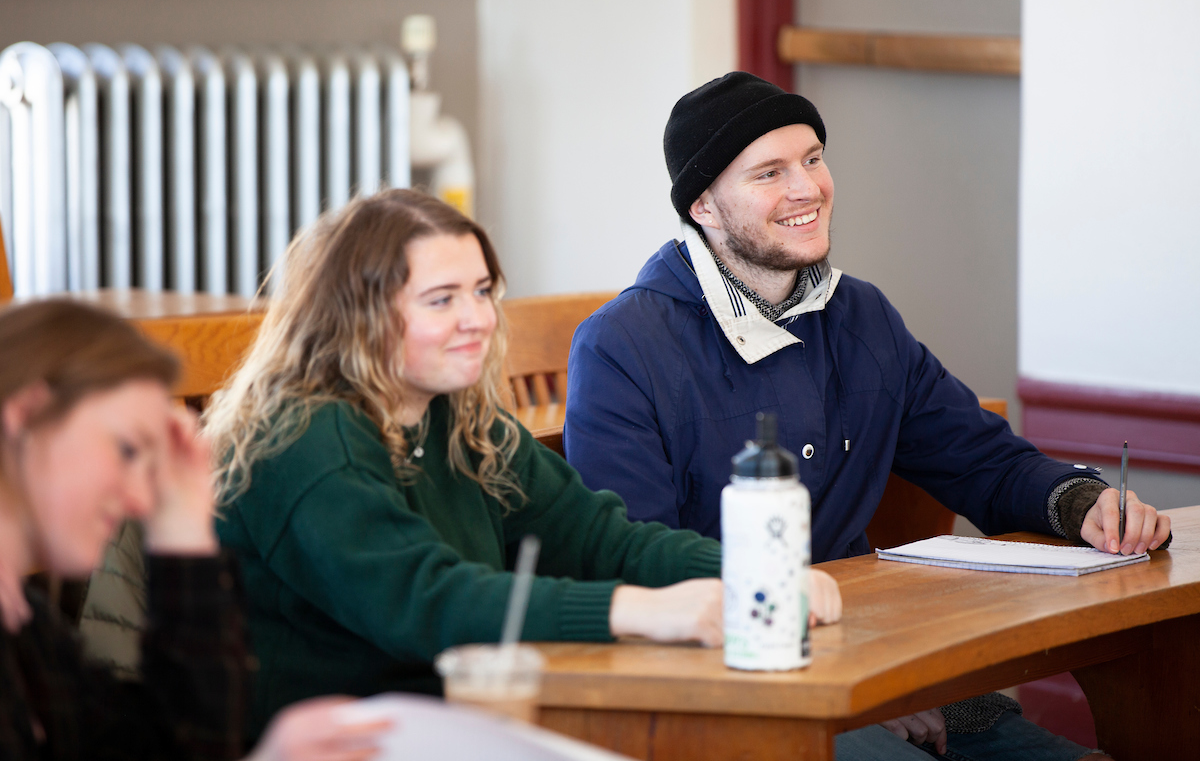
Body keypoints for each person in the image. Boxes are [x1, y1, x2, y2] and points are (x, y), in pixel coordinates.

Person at [562, 72, 1164, 758]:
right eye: (769, 173)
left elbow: (981, 460)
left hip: (885, 666)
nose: (807, 188)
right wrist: (841, 686)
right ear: (704, 205)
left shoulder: (864, 316)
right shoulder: (621, 346)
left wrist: (1082, 503)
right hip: (740, 698)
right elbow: (639, 571)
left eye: (813, 158)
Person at [203, 188, 843, 740]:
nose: (478, 319)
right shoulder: (304, 434)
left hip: (453, 721)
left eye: (482, 291)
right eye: (441, 300)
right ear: (357, 315)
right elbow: (425, 599)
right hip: (334, 739)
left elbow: (596, 538)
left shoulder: (457, 417)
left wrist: (756, 572)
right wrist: (645, 610)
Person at [0, 300, 390, 761]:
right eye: (127, 449)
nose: (139, 501)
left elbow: (179, 747)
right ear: (27, 415)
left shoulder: (30, 629)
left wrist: (183, 533)